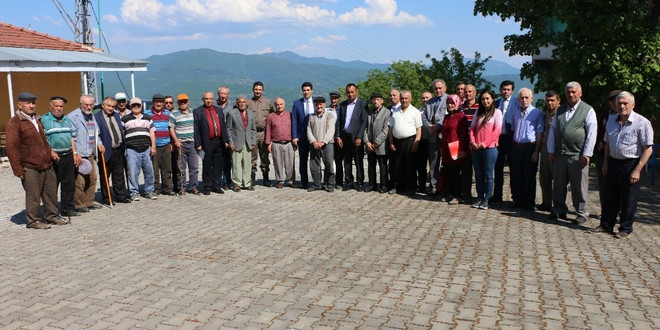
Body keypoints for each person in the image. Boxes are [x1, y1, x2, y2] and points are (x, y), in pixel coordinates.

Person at [589, 91, 654, 238]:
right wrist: (605, 163)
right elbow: (608, 144)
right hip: (613, 162)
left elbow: (648, 149)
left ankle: (625, 228)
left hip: (631, 163)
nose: (622, 106)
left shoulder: (642, 122)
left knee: (628, 198)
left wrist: (637, 170)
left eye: (625, 103)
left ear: (633, 104)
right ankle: (606, 225)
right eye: (619, 103)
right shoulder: (611, 120)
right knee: (610, 196)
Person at [6, 92, 68, 228]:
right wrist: (18, 170)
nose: (31, 105)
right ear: (19, 105)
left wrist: (50, 152)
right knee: (33, 196)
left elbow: (43, 141)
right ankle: (33, 220)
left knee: (50, 193)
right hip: (30, 167)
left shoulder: (37, 119)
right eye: (27, 103)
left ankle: (52, 216)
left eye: (33, 102)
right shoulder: (15, 122)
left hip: (47, 164)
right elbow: (12, 148)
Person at [547, 81, 597, 225]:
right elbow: (553, 131)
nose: (571, 94)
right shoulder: (560, 110)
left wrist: (586, 154)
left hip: (577, 155)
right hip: (561, 153)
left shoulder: (587, 110)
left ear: (580, 93)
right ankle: (559, 209)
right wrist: (551, 151)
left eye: (574, 92)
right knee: (558, 184)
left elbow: (592, 133)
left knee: (579, 186)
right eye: (568, 92)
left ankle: (581, 212)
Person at [41, 96, 81, 216]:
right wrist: (50, 152)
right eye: (56, 106)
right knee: (52, 186)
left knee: (69, 184)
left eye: (61, 106)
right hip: (53, 158)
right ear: (50, 107)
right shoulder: (43, 120)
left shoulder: (67, 119)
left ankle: (67, 209)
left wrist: (74, 153)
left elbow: (71, 138)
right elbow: (42, 140)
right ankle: (52, 211)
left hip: (68, 155)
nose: (59, 109)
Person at [509, 88, 544, 211]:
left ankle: (529, 202)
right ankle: (518, 200)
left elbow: (540, 134)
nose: (524, 100)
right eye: (522, 97)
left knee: (529, 175)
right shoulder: (515, 113)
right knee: (516, 175)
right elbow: (513, 130)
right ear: (518, 99)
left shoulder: (537, 113)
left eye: (526, 97)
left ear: (531, 98)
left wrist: (536, 151)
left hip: (530, 147)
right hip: (517, 146)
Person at [69, 94, 104, 212]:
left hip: (90, 153)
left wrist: (99, 144)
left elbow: (96, 134)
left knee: (92, 178)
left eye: (91, 105)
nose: (89, 107)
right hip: (79, 154)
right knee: (80, 181)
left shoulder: (91, 116)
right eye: (86, 105)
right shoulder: (73, 116)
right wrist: (75, 153)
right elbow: (71, 137)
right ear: (80, 105)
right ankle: (79, 203)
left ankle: (89, 201)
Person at [469, 90, 502, 210]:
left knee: (488, 175)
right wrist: (472, 142)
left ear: (492, 99)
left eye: (487, 98)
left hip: (490, 148)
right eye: (483, 99)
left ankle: (487, 199)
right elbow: (472, 129)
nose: (485, 101)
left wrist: (484, 143)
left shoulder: (497, 113)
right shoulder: (478, 112)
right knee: (478, 174)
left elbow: (497, 131)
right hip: (476, 148)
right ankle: (479, 196)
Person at [95, 96, 130, 205]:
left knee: (119, 174)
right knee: (105, 175)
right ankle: (107, 197)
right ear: (103, 105)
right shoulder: (97, 117)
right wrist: (99, 144)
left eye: (113, 106)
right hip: (105, 150)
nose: (111, 108)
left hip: (118, 149)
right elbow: (96, 134)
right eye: (108, 106)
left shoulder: (116, 115)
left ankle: (120, 195)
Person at [122, 97, 158, 201]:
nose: (136, 107)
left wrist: (153, 147)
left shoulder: (147, 118)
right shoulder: (125, 119)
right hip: (131, 149)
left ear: (141, 106)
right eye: (134, 105)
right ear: (130, 106)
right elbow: (122, 134)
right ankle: (134, 192)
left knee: (149, 171)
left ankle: (149, 191)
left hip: (146, 148)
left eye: (138, 105)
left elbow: (152, 133)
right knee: (133, 172)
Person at [193, 91, 228, 195]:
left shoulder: (219, 110)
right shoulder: (198, 111)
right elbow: (196, 128)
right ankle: (207, 186)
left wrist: (226, 140)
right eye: (206, 99)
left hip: (219, 142)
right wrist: (198, 143)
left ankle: (216, 185)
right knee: (207, 165)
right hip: (206, 142)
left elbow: (223, 126)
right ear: (203, 100)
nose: (209, 101)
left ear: (213, 100)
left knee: (218, 165)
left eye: (210, 99)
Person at [594, 89, 622, 217]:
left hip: (618, 155)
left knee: (619, 184)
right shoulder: (605, 115)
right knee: (604, 184)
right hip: (602, 153)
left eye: (614, 101)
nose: (612, 104)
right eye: (610, 102)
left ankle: (619, 210)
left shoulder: (626, 116)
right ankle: (605, 210)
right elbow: (599, 131)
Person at [388, 90, 422, 195]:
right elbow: (390, 127)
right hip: (397, 141)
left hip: (410, 141)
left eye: (406, 98)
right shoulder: (395, 111)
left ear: (410, 99)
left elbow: (419, 129)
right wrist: (391, 141)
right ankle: (398, 186)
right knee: (397, 165)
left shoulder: (415, 111)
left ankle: (411, 187)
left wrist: (416, 142)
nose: (404, 100)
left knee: (410, 165)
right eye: (402, 98)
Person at [491, 80, 520, 205]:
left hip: (511, 139)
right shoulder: (496, 103)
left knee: (514, 168)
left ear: (512, 91)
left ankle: (516, 196)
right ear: (500, 90)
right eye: (503, 89)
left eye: (508, 89)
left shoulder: (517, 103)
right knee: (497, 168)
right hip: (498, 139)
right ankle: (497, 195)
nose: (505, 91)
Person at [335, 83, 368, 191]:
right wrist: (338, 136)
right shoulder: (343, 105)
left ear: (356, 92)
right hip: (345, 137)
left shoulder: (362, 104)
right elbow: (339, 121)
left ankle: (359, 182)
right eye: (348, 92)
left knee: (358, 161)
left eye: (352, 92)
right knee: (347, 161)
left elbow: (364, 122)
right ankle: (348, 182)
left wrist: (359, 137)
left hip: (356, 137)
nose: (350, 94)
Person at [440, 94, 469, 204]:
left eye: (452, 103)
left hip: (456, 147)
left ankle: (457, 195)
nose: (450, 105)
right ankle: (449, 193)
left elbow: (463, 135)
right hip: (446, 148)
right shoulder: (447, 117)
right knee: (448, 171)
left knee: (455, 172)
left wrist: (462, 150)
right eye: (448, 103)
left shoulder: (461, 117)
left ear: (457, 103)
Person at [170, 93, 200, 195]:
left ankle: (193, 187)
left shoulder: (193, 113)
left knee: (194, 167)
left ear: (188, 102)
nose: (183, 103)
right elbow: (171, 128)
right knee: (181, 168)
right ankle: (181, 187)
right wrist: (176, 141)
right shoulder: (174, 114)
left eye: (185, 101)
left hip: (192, 143)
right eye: (181, 101)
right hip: (181, 145)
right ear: (178, 103)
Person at [145, 94, 174, 196]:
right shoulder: (147, 114)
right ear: (153, 103)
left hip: (166, 144)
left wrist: (171, 142)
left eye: (160, 102)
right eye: (156, 102)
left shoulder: (167, 113)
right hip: (154, 145)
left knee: (167, 168)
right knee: (154, 169)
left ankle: (167, 188)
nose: (158, 104)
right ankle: (156, 189)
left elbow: (171, 128)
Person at [422, 79, 448, 194]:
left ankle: (446, 187)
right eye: (435, 88)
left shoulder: (450, 100)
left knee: (446, 163)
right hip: (432, 136)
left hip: (444, 136)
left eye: (440, 88)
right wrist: (430, 127)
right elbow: (424, 117)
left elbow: (449, 116)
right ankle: (433, 186)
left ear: (445, 88)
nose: (438, 90)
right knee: (433, 163)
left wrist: (438, 126)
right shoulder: (429, 102)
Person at [227, 96, 257, 191]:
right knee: (236, 164)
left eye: (244, 102)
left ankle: (247, 183)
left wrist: (253, 141)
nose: (242, 104)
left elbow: (253, 129)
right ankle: (237, 183)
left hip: (248, 142)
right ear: (237, 103)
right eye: (240, 102)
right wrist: (231, 142)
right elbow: (228, 129)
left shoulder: (251, 114)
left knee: (248, 164)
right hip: (236, 143)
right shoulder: (232, 113)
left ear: (246, 103)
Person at [247, 81, 274, 186]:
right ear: (253, 90)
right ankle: (252, 178)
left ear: (262, 90)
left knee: (264, 157)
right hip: (252, 134)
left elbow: (272, 116)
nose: (258, 91)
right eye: (256, 89)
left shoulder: (268, 103)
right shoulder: (248, 103)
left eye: (260, 89)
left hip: (264, 134)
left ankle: (266, 178)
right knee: (252, 157)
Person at [307, 96, 336, 192]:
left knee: (329, 164)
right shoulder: (311, 116)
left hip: (327, 144)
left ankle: (329, 184)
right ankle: (317, 184)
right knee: (314, 165)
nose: (319, 106)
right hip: (315, 144)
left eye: (321, 104)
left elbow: (331, 130)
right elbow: (309, 130)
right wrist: (313, 141)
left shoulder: (329, 115)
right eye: (317, 104)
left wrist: (323, 142)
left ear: (324, 104)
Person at [265, 97, 296, 189]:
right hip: (276, 143)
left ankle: (290, 180)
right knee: (277, 162)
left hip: (289, 142)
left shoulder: (290, 115)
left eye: (281, 104)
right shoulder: (271, 116)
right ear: (275, 106)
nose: (279, 106)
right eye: (277, 105)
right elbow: (268, 130)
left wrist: (295, 140)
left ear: (284, 105)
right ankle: (280, 181)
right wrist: (268, 143)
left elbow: (294, 128)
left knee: (290, 163)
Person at [364, 92, 391, 193]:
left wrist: (376, 142)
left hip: (381, 145)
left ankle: (384, 185)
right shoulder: (369, 113)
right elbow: (365, 129)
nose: (375, 101)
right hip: (370, 145)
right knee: (371, 165)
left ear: (382, 100)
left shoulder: (387, 112)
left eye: (378, 99)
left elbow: (386, 130)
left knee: (383, 166)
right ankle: (372, 184)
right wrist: (366, 141)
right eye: (374, 99)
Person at [538, 91, 560, 211]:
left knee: (557, 178)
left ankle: (557, 204)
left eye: (552, 100)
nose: (549, 103)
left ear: (558, 101)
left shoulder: (562, 114)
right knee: (544, 177)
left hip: (556, 150)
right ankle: (546, 202)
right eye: (547, 100)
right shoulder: (545, 114)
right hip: (544, 148)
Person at [291, 82, 315, 189]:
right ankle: (304, 182)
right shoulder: (297, 104)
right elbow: (294, 121)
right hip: (302, 137)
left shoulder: (316, 103)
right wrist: (294, 136)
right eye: (304, 90)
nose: (306, 92)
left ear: (312, 91)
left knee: (315, 160)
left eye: (308, 90)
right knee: (303, 160)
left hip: (315, 137)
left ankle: (316, 182)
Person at [459, 84, 479, 203]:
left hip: (476, 142)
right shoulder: (461, 107)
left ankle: (480, 195)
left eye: (470, 91)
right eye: (466, 92)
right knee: (466, 170)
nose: (467, 94)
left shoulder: (480, 106)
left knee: (478, 170)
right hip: (464, 142)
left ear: (475, 93)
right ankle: (466, 194)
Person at [217, 86, 235, 190]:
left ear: (228, 95)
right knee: (218, 161)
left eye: (225, 94)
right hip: (217, 136)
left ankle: (227, 181)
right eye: (221, 93)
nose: (223, 96)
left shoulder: (233, 105)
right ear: (218, 94)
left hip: (230, 136)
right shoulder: (213, 105)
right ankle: (218, 181)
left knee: (228, 161)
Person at [329, 91, 342, 188]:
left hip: (338, 139)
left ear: (339, 99)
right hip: (328, 139)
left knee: (338, 161)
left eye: (336, 98)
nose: (334, 100)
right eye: (332, 98)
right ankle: (329, 181)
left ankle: (339, 182)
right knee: (328, 161)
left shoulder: (342, 109)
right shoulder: (326, 110)